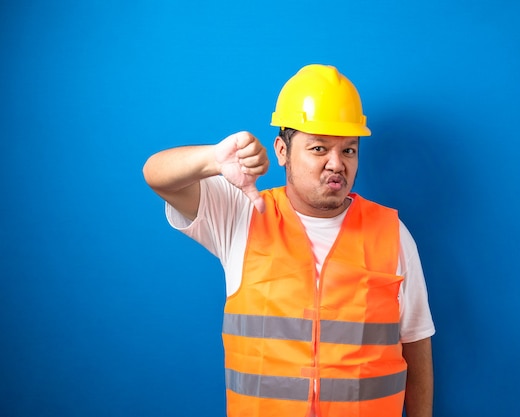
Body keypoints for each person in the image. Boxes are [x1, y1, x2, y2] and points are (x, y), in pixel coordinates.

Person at [143, 64, 435, 417]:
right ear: (282, 150)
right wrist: (213, 160)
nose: (336, 164)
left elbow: (417, 347)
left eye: (348, 150)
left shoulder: (393, 234)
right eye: (318, 148)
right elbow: (157, 176)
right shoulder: (242, 216)